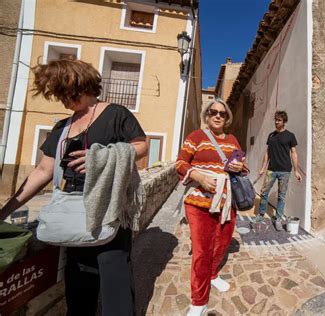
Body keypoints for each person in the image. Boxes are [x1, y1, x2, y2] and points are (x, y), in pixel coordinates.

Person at [0, 59, 148, 316]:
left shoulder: (116, 114)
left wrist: (100, 157)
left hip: (109, 210)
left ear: (80, 83)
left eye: (64, 92)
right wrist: (5, 210)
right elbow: (43, 171)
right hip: (72, 212)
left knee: (116, 286)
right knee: (78, 288)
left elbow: (141, 146)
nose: (62, 100)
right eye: (57, 94)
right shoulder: (62, 127)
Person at [176, 98, 245, 316]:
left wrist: (240, 166)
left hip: (227, 201)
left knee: (222, 244)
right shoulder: (196, 137)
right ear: (207, 115)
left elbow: (242, 168)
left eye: (222, 114)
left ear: (227, 118)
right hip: (199, 202)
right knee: (202, 251)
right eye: (213, 112)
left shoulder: (233, 139)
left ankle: (213, 274)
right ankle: (199, 301)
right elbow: (180, 163)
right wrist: (198, 175)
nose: (217, 116)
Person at [255, 110, 302, 231]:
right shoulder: (271, 136)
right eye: (275, 120)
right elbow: (267, 153)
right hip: (271, 170)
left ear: (284, 121)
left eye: (279, 120)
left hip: (285, 171)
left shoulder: (290, 136)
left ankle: (278, 219)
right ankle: (260, 215)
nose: (276, 122)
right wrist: (262, 168)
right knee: (264, 192)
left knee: (281, 196)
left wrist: (296, 171)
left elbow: (294, 153)